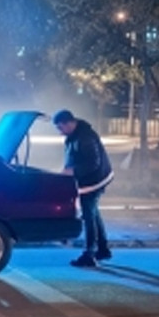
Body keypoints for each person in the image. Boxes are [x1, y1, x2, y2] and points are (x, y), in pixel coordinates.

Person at [53, 109, 114, 268]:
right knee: (93, 213)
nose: (60, 132)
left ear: (69, 123)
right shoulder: (75, 135)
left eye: (60, 127)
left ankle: (89, 254)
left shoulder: (86, 137)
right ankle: (103, 249)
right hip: (89, 180)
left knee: (88, 215)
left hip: (95, 181)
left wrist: (73, 171)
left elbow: (93, 163)